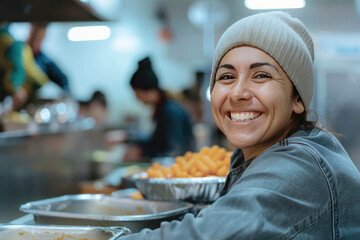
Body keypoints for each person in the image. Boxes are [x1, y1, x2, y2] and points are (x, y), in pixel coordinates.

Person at [119, 12, 360, 239]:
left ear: (297, 99)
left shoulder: (299, 167)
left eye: (261, 75)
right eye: (226, 77)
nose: (237, 93)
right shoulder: (260, 155)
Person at [111, 56, 195, 161]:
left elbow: (173, 151)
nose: (136, 98)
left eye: (136, 93)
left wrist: (141, 151)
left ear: (147, 91)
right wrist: (129, 139)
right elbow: (156, 142)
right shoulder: (162, 109)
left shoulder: (170, 112)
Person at [27, 23, 70, 94]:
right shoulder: (19, 52)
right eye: (34, 38)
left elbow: (63, 80)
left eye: (39, 39)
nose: (36, 42)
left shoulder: (45, 61)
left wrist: (65, 94)